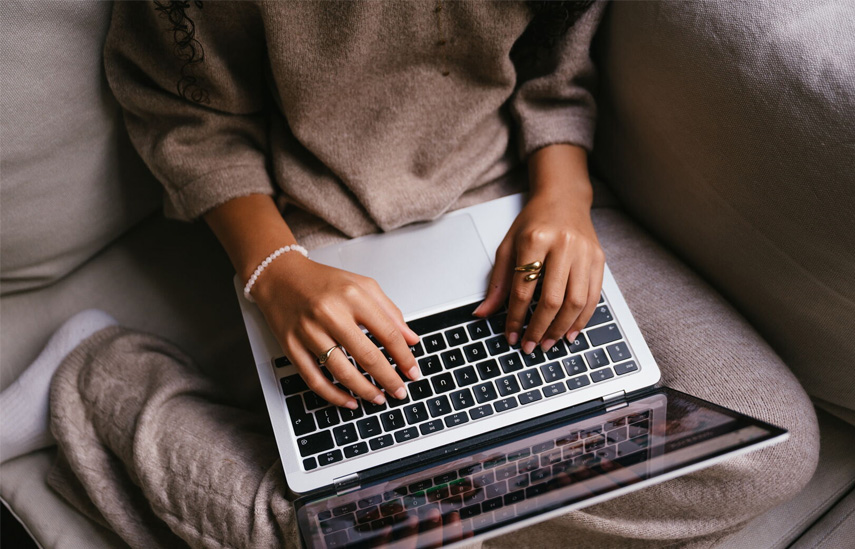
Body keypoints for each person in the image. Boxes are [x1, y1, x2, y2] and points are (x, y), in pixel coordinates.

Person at [0, 1, 819, 548]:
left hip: (525, 201)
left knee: (768, 448)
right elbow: (182, 110)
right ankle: (101, 375)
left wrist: (564, 195)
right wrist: (275, 268)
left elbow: (554, 54)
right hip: (321, 239)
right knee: (340, 520)